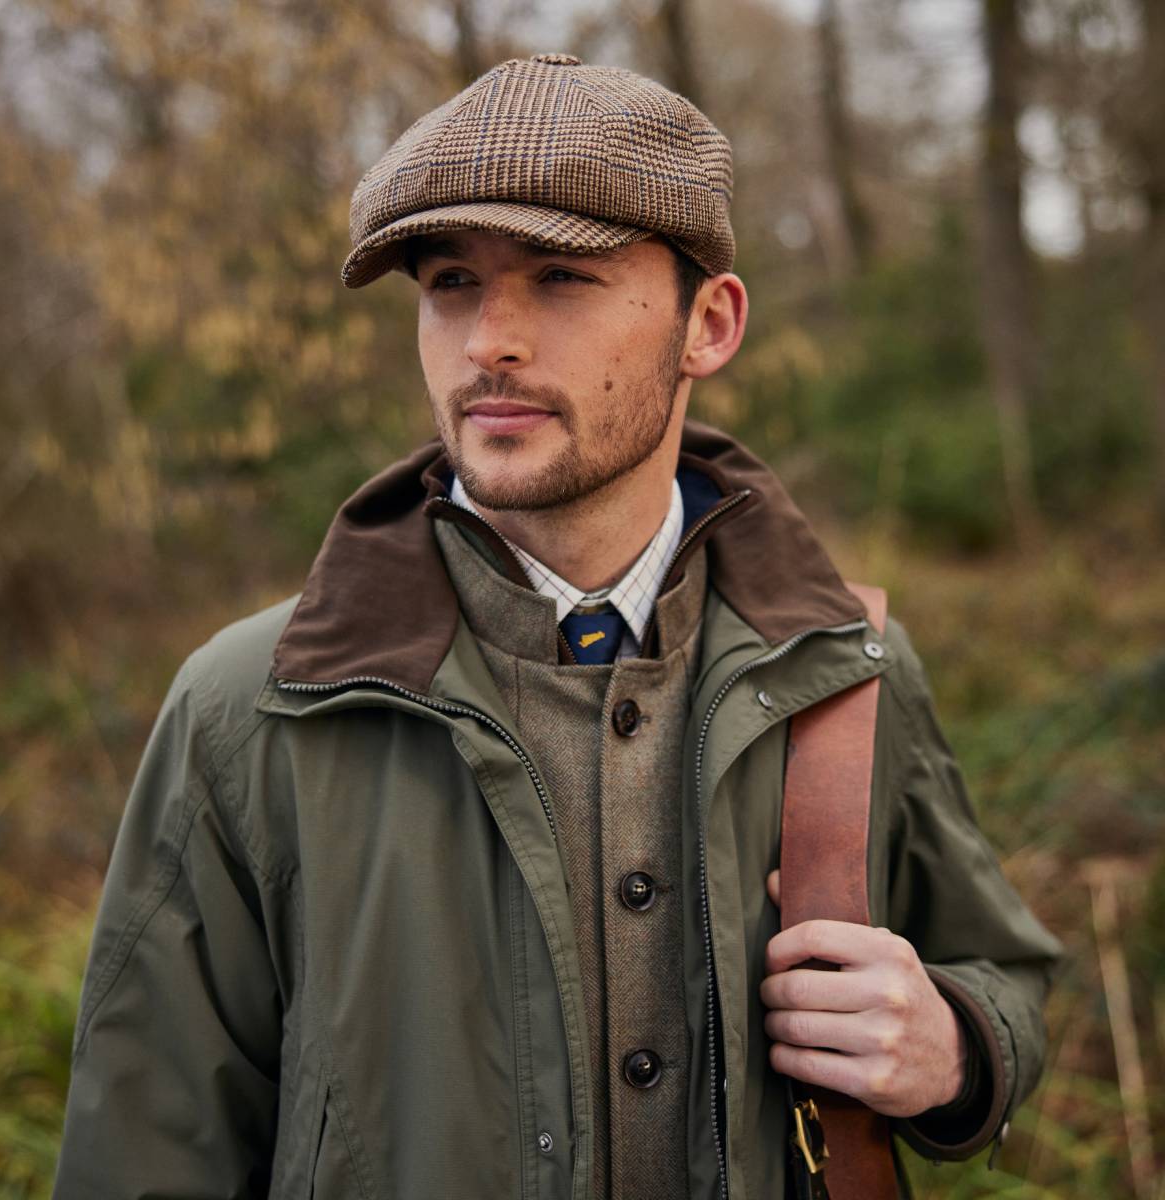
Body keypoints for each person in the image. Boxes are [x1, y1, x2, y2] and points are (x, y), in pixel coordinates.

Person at [53, 53, 1063, 1200]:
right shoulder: (250, 710)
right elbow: (141, 1154)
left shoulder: (840, 666)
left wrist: (959, 1049)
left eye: (561, 278)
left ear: (709, 323)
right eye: (449, 283)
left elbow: (1001, 974)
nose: (490, 340)